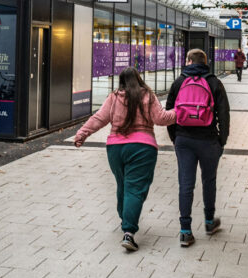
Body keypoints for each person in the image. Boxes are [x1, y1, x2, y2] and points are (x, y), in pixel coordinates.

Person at [73, 68, 175, 252]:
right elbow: (161, 118)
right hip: (142, 148)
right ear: (139, 79)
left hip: (116, 149)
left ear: (121, 81)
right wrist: (180, 112)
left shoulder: (114, 97)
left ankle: (125, 218)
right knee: (134, 189)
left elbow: (99, 118)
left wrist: (82, 133)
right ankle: (128, 232)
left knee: (123, 185)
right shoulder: (148, 95)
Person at [166, 49, 230, 247]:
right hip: (208, 140)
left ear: (189, 61)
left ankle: (185, 231)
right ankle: (209, 222)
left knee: (186, 184)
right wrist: (221, 141)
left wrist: (175, 138)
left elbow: (170, 113)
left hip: (184, 140)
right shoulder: (214, 82)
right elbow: (224, 114)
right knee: (209, 180)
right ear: (204, 62)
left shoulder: (179, 82)